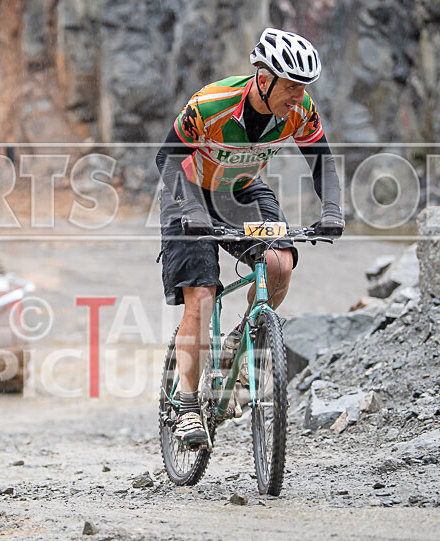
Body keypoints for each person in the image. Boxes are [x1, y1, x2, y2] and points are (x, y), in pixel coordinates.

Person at [155, 28, 345, 446]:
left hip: (242, 190)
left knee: (279, 262)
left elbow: (322, 164)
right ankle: (187, 408)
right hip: (189, 192)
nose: (299, 95)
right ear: (264, 79)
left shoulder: (301, 110)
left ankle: (243, 338)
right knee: (201, 296)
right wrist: (190, 210)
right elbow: (166, 159)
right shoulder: (211, 104)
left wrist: (331, 209)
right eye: (292, 85)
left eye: (304, 87)